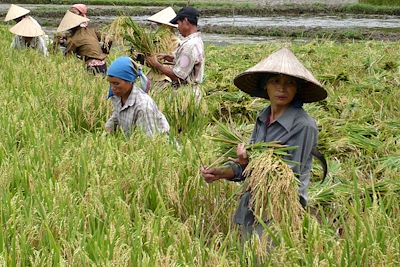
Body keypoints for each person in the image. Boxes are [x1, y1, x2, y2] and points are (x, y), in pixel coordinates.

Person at [200, 48, 328, 238]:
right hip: (253, 202)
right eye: (275, 81)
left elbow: (286, 178)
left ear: (297, 89)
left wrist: (247, 164)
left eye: (289, 83)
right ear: (265, 85)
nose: (282, 89)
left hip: (279, 208)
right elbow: (249, 164)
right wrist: (221, 172)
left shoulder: (303, 126)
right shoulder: (264, 117)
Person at [146, 6, 204, 100]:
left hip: (186, 94)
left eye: (178, 23)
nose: (178, 28)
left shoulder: (189, 46)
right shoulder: (196, 41)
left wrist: (157, 65)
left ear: (185, 21)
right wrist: (171, 58)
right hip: (189, 92)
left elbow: (178, 76)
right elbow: (189, 62)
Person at [105, 56, 170, 137]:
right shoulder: (117, 96)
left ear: (130, 81)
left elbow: (150, 140)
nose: (112, 88)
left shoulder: (143, 106)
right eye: (110, 83)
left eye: (116, 83)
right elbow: (116, 116)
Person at [57, 10, 108, 75]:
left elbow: (68, 56)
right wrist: (104, 51)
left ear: (72, 28)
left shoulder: (74, 40)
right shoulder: (91, 30)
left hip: (92, 66)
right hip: (103, 64)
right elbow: (108, 39)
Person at [145, 7, 180, 90]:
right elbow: (150, 61)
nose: (159, 28)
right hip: (151, 77)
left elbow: (173, 65)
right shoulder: (155, 41)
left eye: (161, 25)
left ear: (168, 27)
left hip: (165, 79)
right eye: (159, 25)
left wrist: (156, 63)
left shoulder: (176, 42)